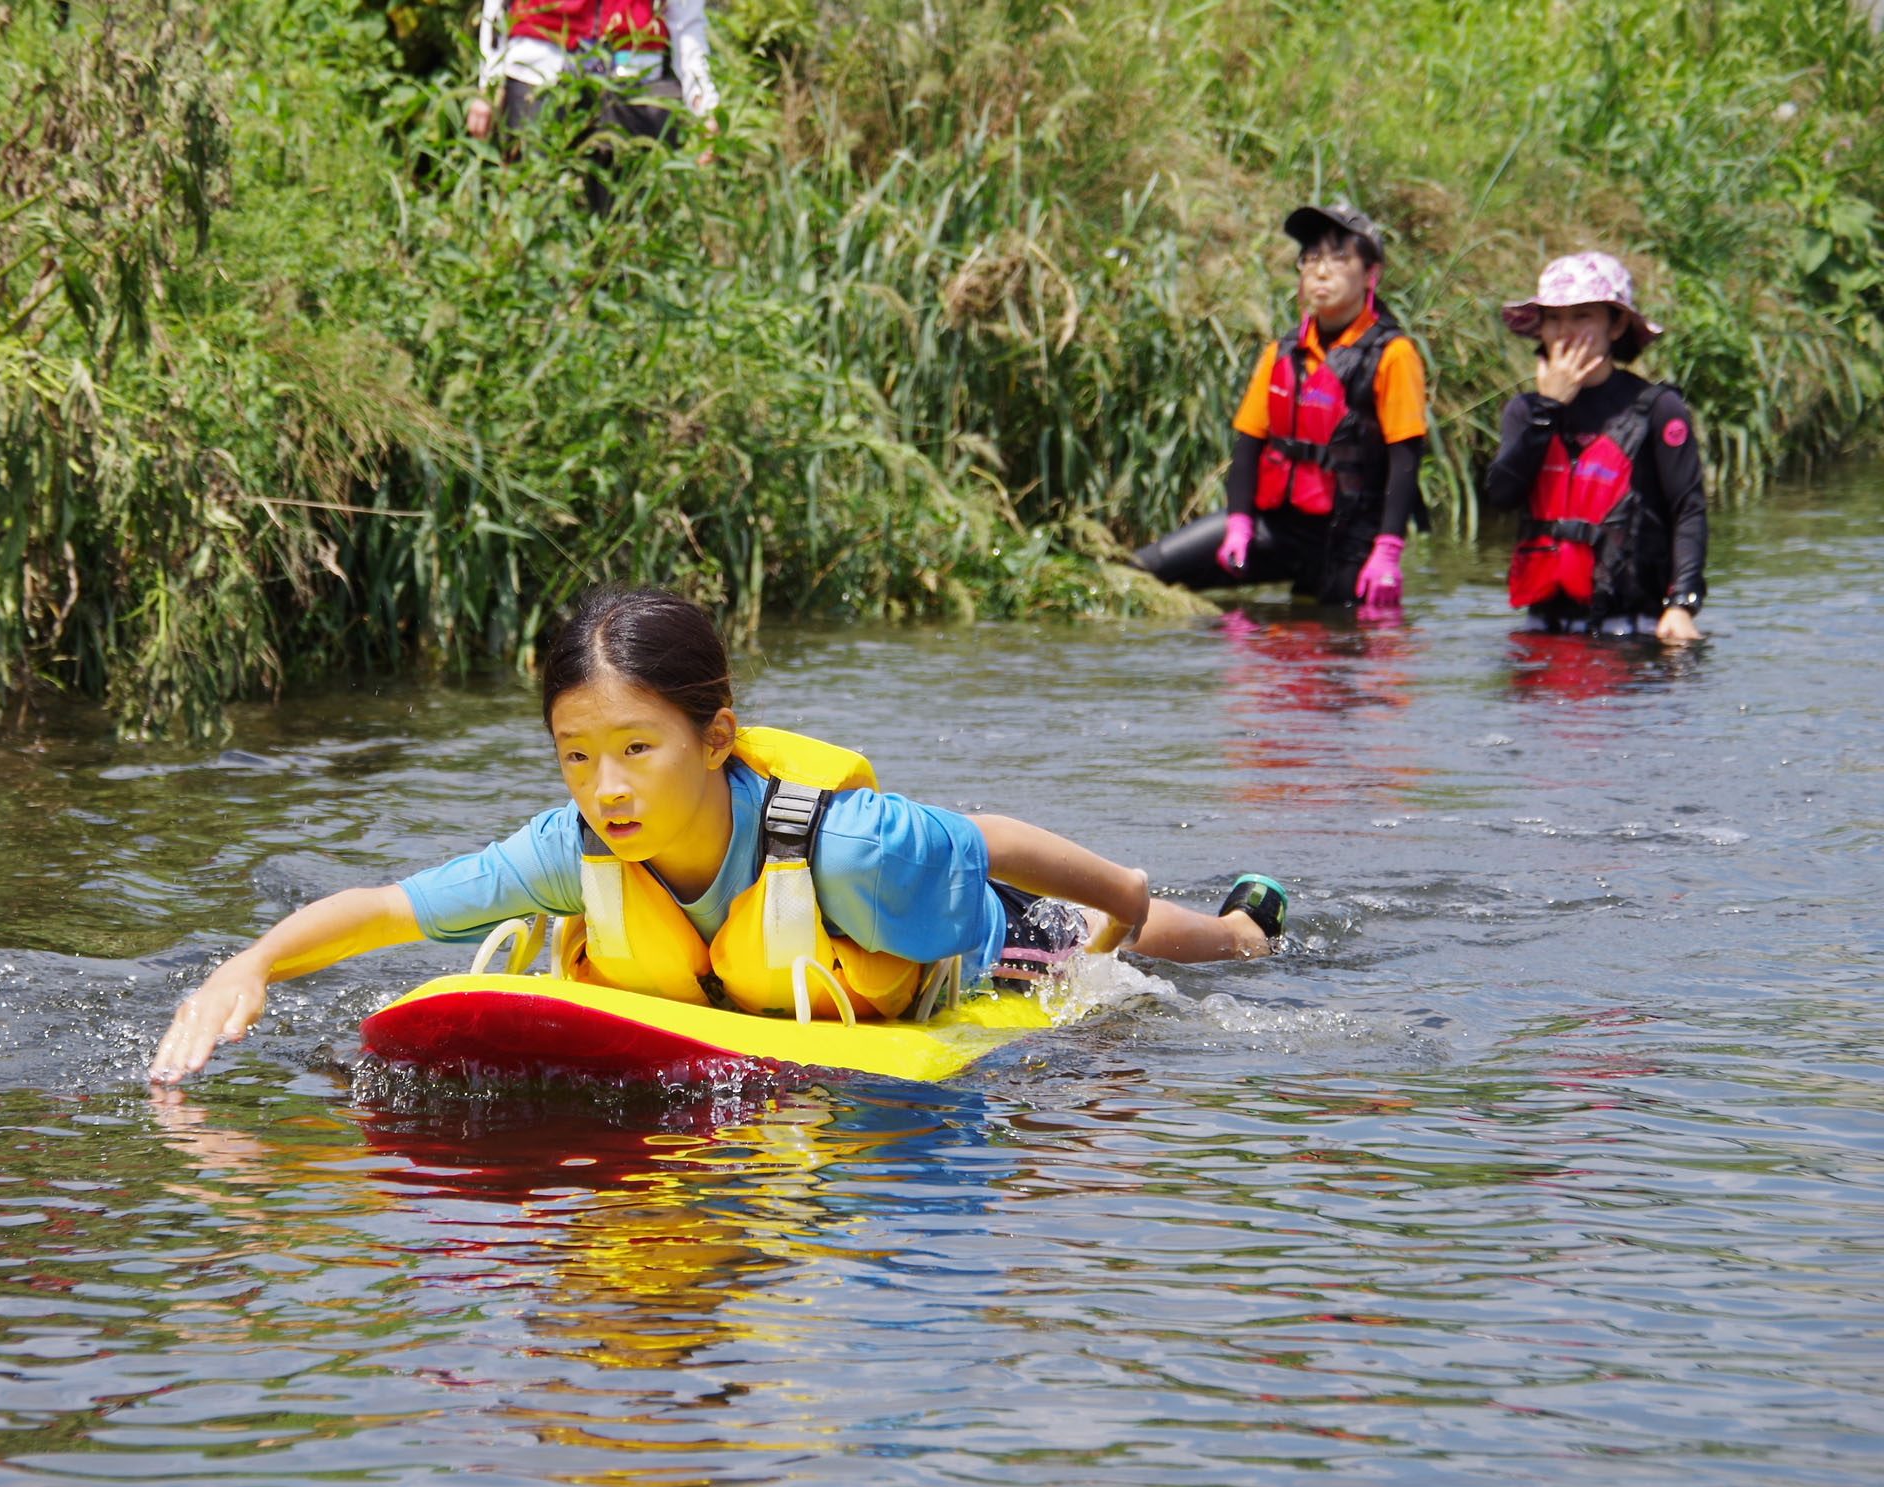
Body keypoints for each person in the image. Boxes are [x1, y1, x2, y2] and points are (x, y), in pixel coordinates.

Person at [148, 587, 1292, 1085]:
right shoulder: (572, 849)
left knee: (1126, 948)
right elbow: (392, 908)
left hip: (983, 934)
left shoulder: (855, 848)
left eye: (638, 749)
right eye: (576, 755)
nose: (606, 787)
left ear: (716, 737)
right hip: (795, 961)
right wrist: (245, 963)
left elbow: (989, 838)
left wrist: (1131, 904)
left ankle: (1239, 925)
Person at [1131, 204, 1429, 615]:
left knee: (1336, 648)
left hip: (1353, 539)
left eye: (1340, 259)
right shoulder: (1282, 353)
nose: (1321, 271)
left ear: (1371, 275)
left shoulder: (1394, 355)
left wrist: (1388, 551)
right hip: (1277, 528)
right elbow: (1248, 445)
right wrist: (1238, 524)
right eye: (1311, 259)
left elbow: (1405, 459)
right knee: (1143, 569)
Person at [1485, 252, 1707, 644]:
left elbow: (1687, 509)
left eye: (1581, 316)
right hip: (1546, 631)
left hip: (1632, 633)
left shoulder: (1657, 410)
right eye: (1553, 318)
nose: (1564, 331)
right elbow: (1501, 495)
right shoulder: (1525, 411)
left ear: (1617, 324)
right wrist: (1547, 410)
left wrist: (1682, 604)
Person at [465, 0, 720, 210]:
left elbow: (687, 22)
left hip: (632, 78)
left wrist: (703, 104)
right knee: (531, 201)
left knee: (625, 217)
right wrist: (488, 83)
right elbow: (496, 6)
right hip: (538, 69)